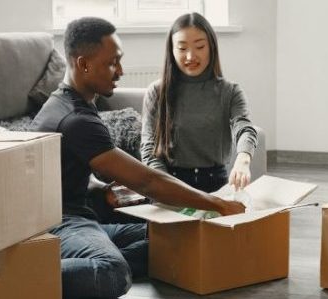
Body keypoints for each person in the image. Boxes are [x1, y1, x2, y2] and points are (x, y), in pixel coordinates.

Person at [31, 17, 246, 298]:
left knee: (170, 241)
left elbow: (65, 173)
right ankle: (20, 274)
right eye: (112, 63)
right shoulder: (76, 118)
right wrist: (217, 203)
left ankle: (88, 259)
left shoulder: (71, 103)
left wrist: (101, 189)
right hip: (62, 223)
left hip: (79, 216)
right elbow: (147, 181)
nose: (120, 71)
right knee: (112, 272)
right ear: (83, 64)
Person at [141, 12, 258, 194]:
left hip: (216, 185)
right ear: (171, 51)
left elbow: (244, 128)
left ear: (211, 47)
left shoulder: (230, 92)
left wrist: (243, 160)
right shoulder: (156, 92)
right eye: (182, 48)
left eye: (199, 46)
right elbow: (149, 149)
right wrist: (166, 189)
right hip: (170, 184)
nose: (190, 56)